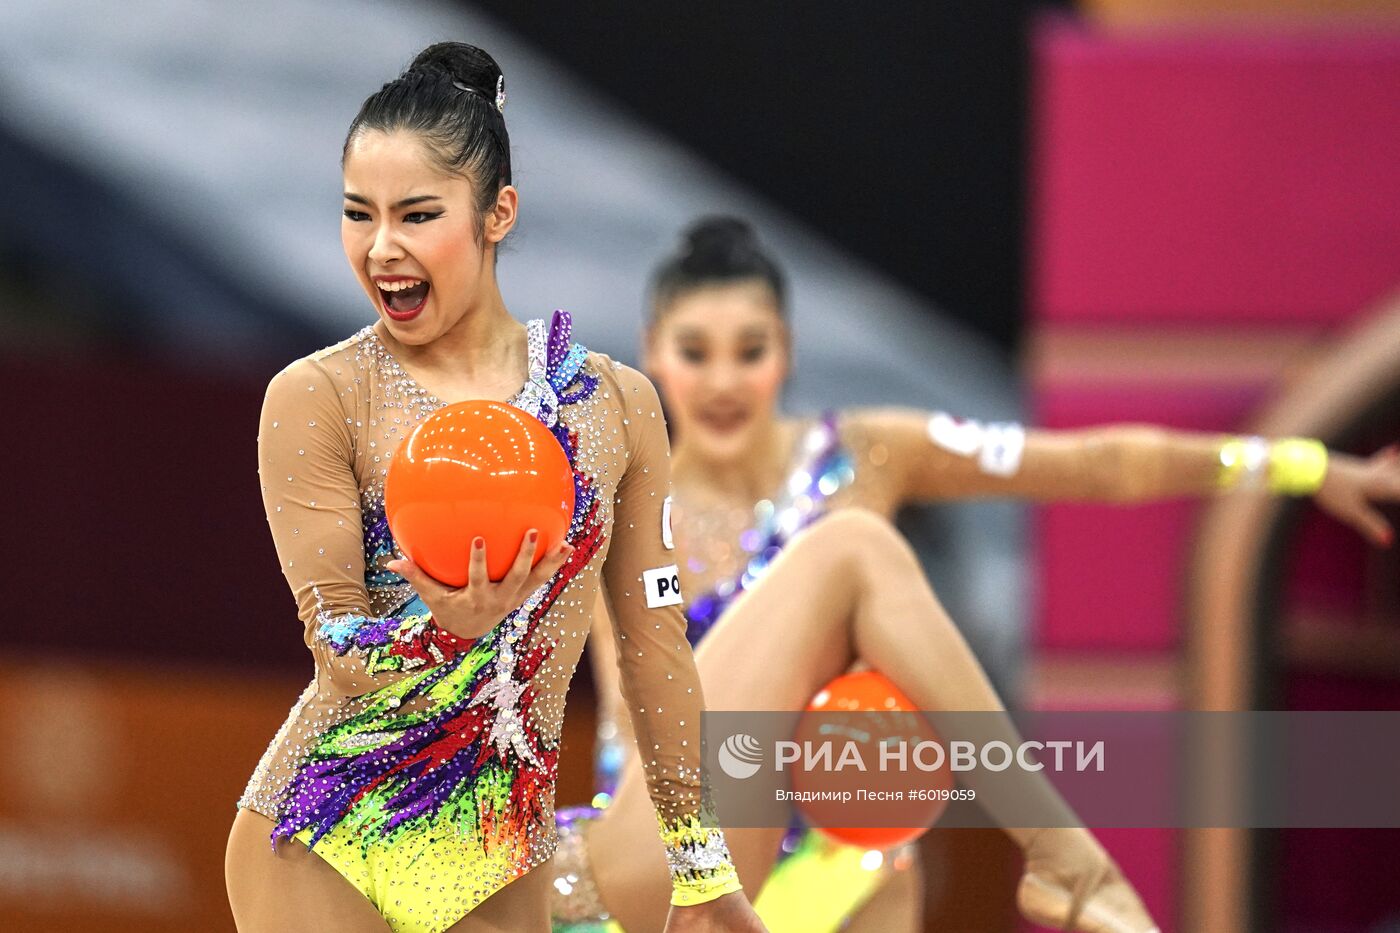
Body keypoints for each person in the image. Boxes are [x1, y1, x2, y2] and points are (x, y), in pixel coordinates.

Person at [548, 218, 1400, 933]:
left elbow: (1099, 465)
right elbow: (618, 714)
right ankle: (1064, 855)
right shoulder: (617, 497)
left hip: (839, 853)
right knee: (848, 552)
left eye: (750, 350)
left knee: (876, 853)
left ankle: (1057, 858)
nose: (723, 381)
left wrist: (1300, 465)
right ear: (656, 353)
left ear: (787, 353)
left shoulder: (864, 453)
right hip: (674, 861)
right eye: (696, 352)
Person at [224, 44, 769, 933]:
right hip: (324, 829)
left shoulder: (616, 407)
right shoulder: (320, 395)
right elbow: (335, 640)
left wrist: (700, 864)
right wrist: (445, 631)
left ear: (497, 214)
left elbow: (654, 648)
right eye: (359, 214)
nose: (382, 247)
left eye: (418, 214)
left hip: (497, 858)